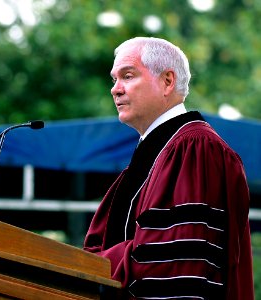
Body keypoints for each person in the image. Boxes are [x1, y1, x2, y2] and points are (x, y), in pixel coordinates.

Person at [83, 37, 254, 299]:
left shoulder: (196, 151)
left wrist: (97, 263)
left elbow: (176, 265)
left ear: (167, 82)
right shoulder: (151, 158)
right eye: (114, 80)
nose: (115, 89)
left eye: (128, 76)